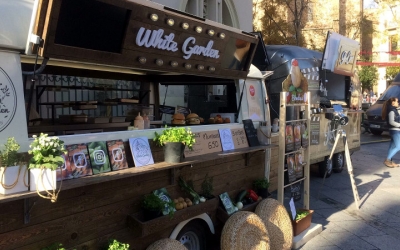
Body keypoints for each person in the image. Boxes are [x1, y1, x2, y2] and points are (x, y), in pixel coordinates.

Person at [382, 97, 400, 167]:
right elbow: (391, 121)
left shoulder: (394, 109)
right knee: (398, 147)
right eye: (397, 101)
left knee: (392, 146)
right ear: (393, 103)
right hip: (395, 130)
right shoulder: (392, 111)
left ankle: (390, 161)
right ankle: (388, 160)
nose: (398, 103)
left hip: (394, 130)